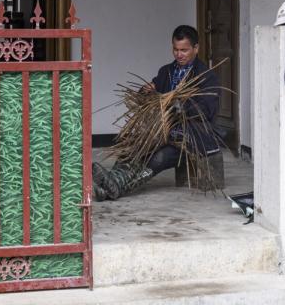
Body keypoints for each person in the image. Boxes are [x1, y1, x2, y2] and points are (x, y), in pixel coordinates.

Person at [92, 25, 222, 201]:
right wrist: (145, 92)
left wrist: (182, 108)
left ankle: (116, 186)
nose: (179, 54)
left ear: (196, 48)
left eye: (184, 50)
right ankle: (112, 182)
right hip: (162, 131)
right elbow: (152, 94)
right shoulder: (166, 72)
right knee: (135, 145)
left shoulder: (206, 76)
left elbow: (207, 111)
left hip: (190, 134)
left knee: (159, 157)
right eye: (175, 49)